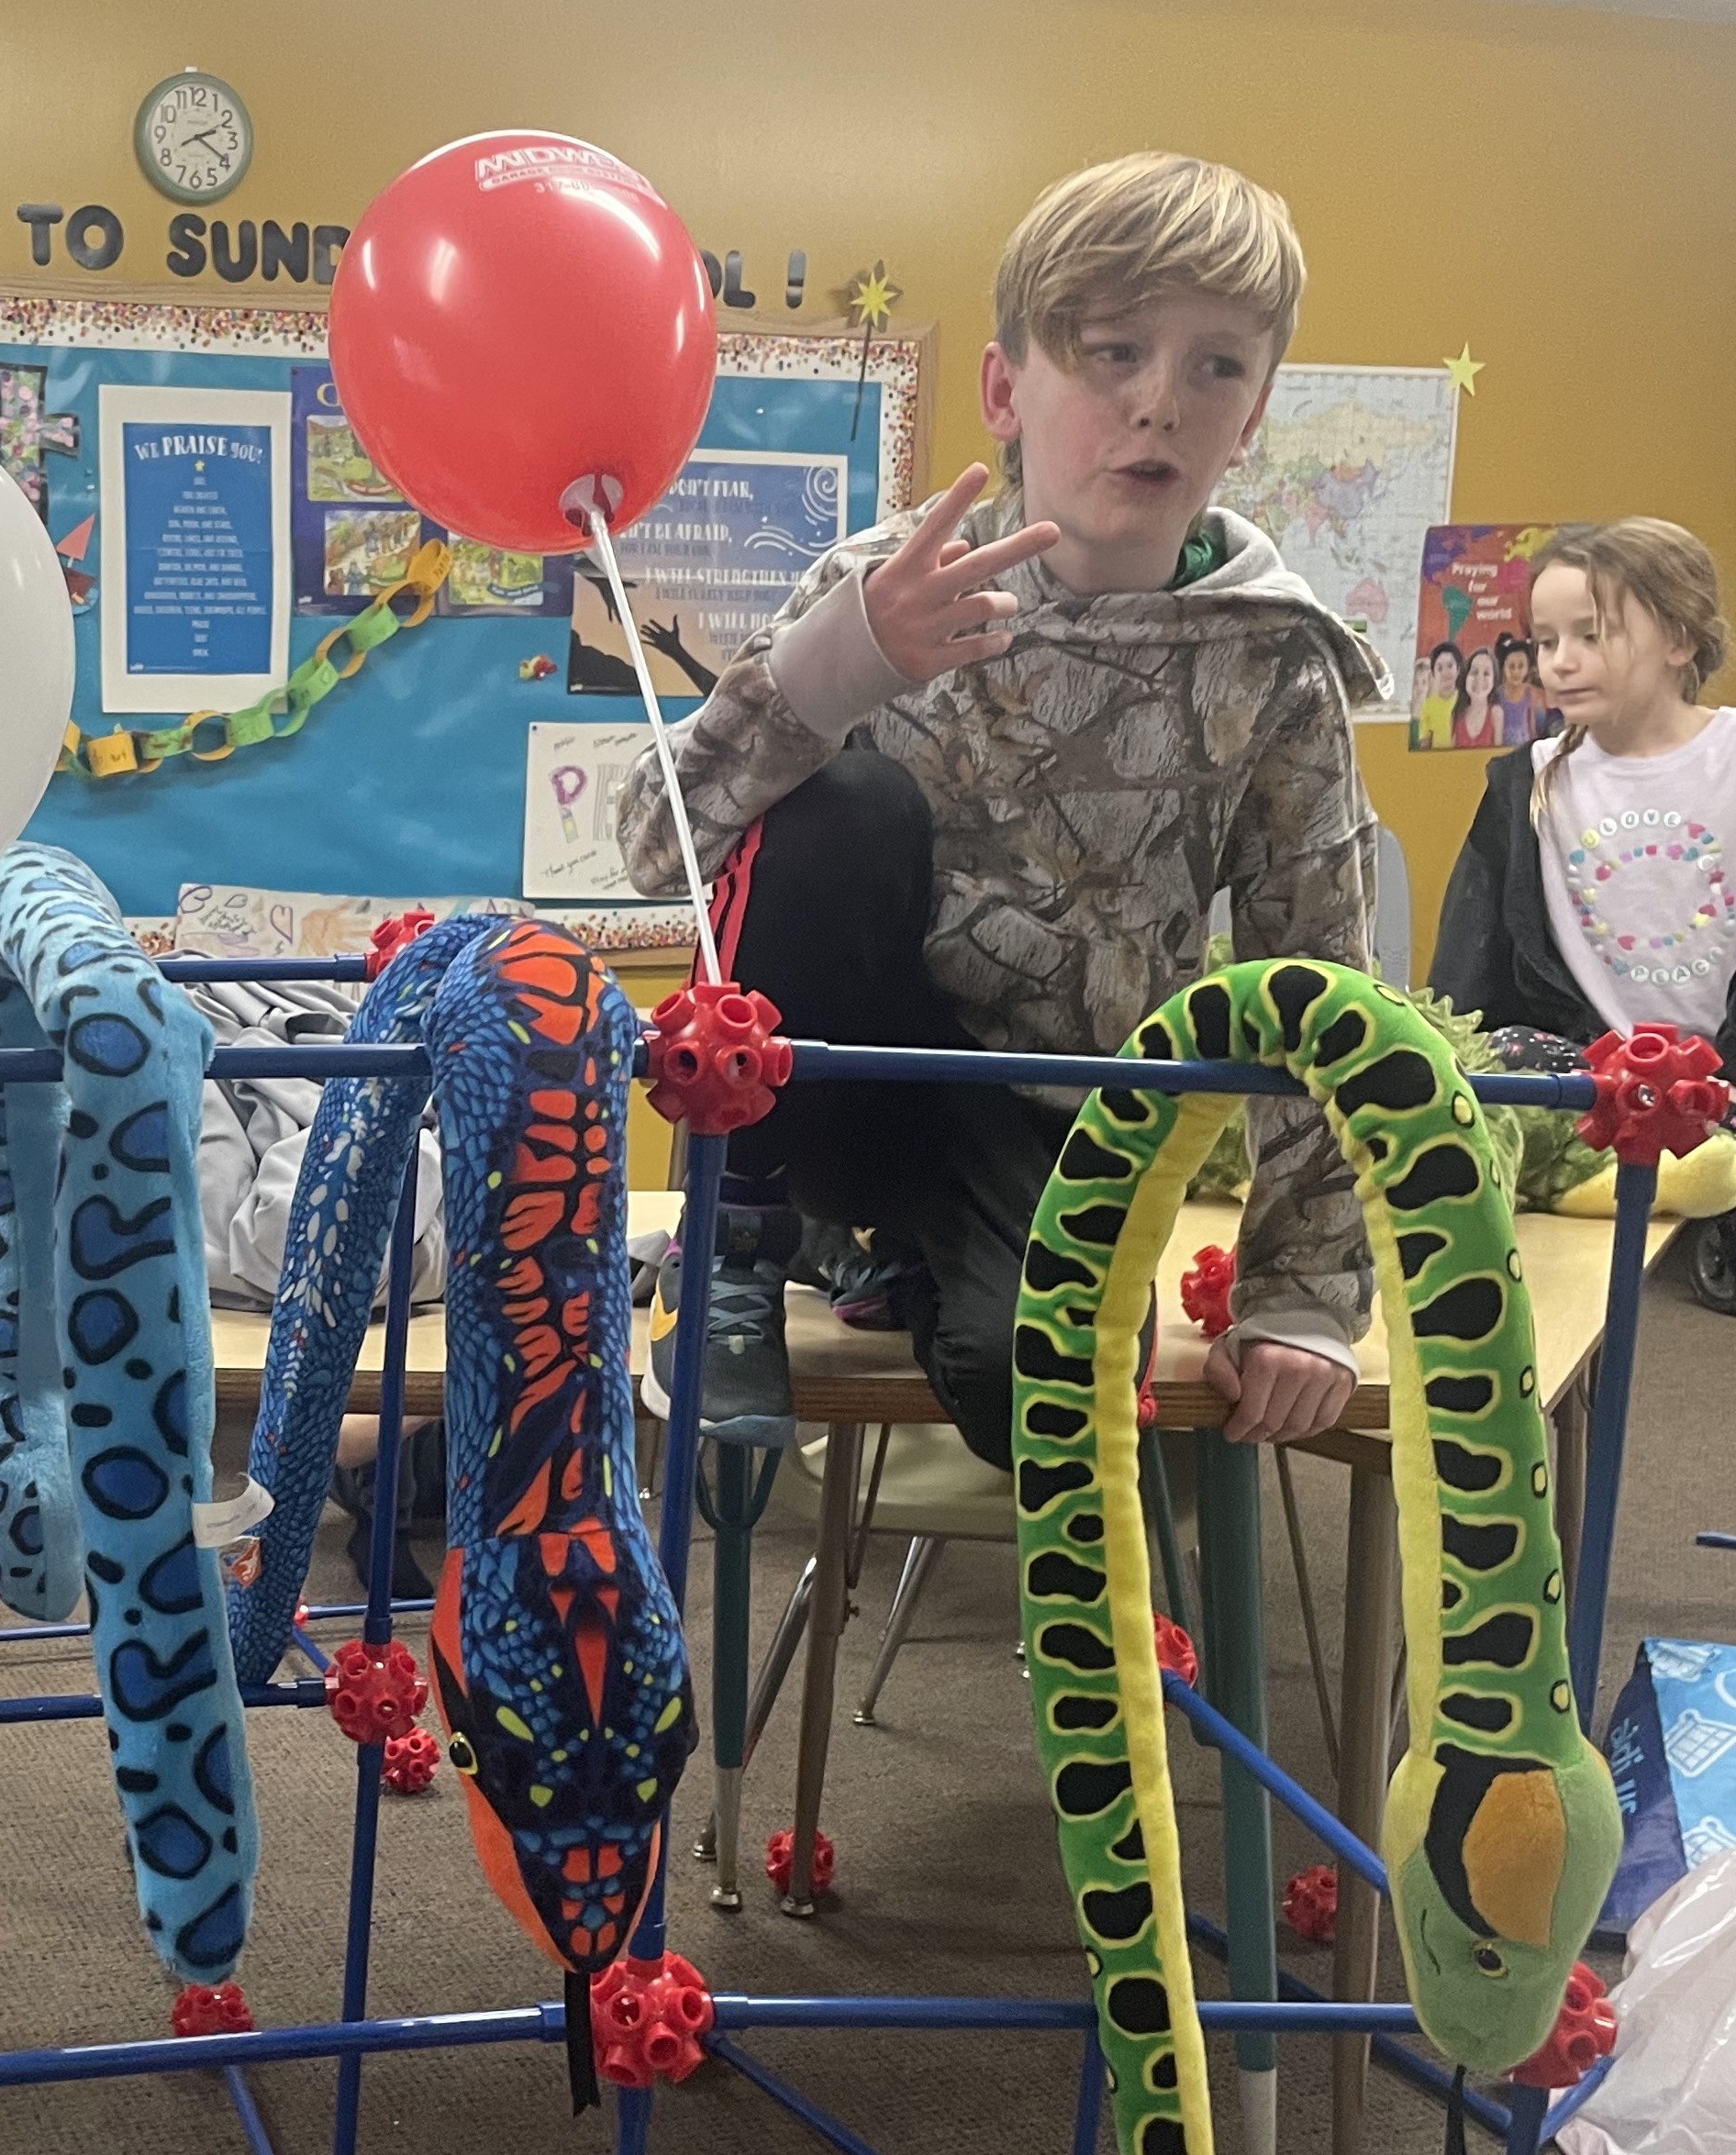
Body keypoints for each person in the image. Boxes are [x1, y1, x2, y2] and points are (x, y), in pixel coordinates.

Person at [619, 152, 1380, 1468]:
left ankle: (895, 1262)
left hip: (1068, 1132)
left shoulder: (1274, 660)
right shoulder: (882, 580)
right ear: (1003, 390)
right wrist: (837, 667)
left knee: (1019, 1392)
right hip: (843, 1087)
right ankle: (742, 1231)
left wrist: (1303, 1290)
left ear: (1253, 413)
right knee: (843, 802)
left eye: (1215, 368)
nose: (1158, 406)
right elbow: (653, 847)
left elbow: (1312, 976)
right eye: (1110, 354)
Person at [1429, 518, 1734, 1053]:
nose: (1559, 662)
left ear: (1678, 639)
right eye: (1545, 641)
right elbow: (1467, 978)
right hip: (1583, 1097)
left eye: (1591, 636)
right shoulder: (1526, 785)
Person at [1496, 630, 1547, 748]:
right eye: (1511, 666)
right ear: (1503, 667)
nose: (1516, 672)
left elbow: (1538, 729)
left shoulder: (1533, 694)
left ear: (1528, 668)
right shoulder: (1497, 696)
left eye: (1521, 666)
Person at [1412, 640, 1462, 750]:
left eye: (1450, 666)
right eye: (1439, 668)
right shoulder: (1428, 706)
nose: (1445, 672)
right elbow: (1424, 744)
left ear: (1458, 669)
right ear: (1433, 674)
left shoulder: (1465, 701)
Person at [1452, 645, 1502, 750]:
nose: (1479, 679)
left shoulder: (1496, 713)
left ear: (1494, 681)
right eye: (1474, 672)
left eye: (1486, 673)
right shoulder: (1456, 714)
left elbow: (1499, 755)